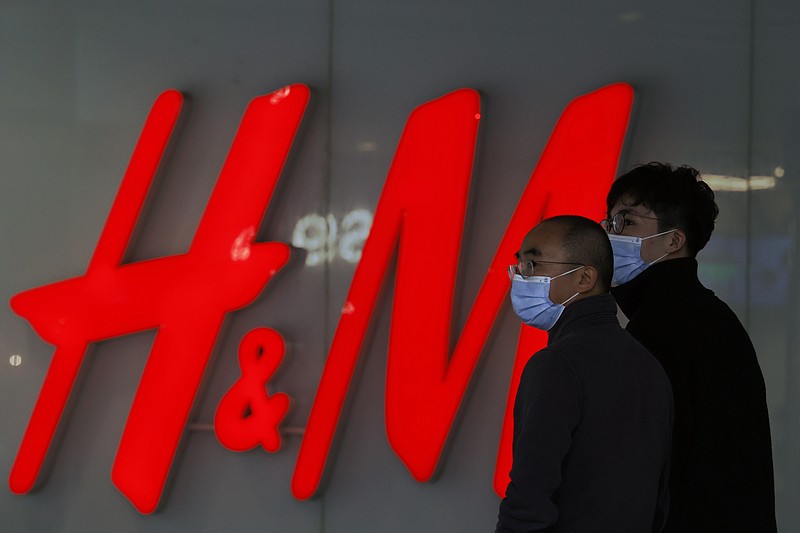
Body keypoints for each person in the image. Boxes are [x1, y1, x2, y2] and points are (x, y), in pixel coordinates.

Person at [604, 162, 776, 532]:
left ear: (673, 241)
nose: (609, 235)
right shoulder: (696, 314)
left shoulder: (667, 325)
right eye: (609, 222)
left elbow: (656, 463)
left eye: (626, 223)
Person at [496, 215, 673, 533]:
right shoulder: (650, 366)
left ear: (584, 278)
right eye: (520, 267)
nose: (521, 278)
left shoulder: (557, 365)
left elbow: (529, 501)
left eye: (533, 265)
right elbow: (659, 501)